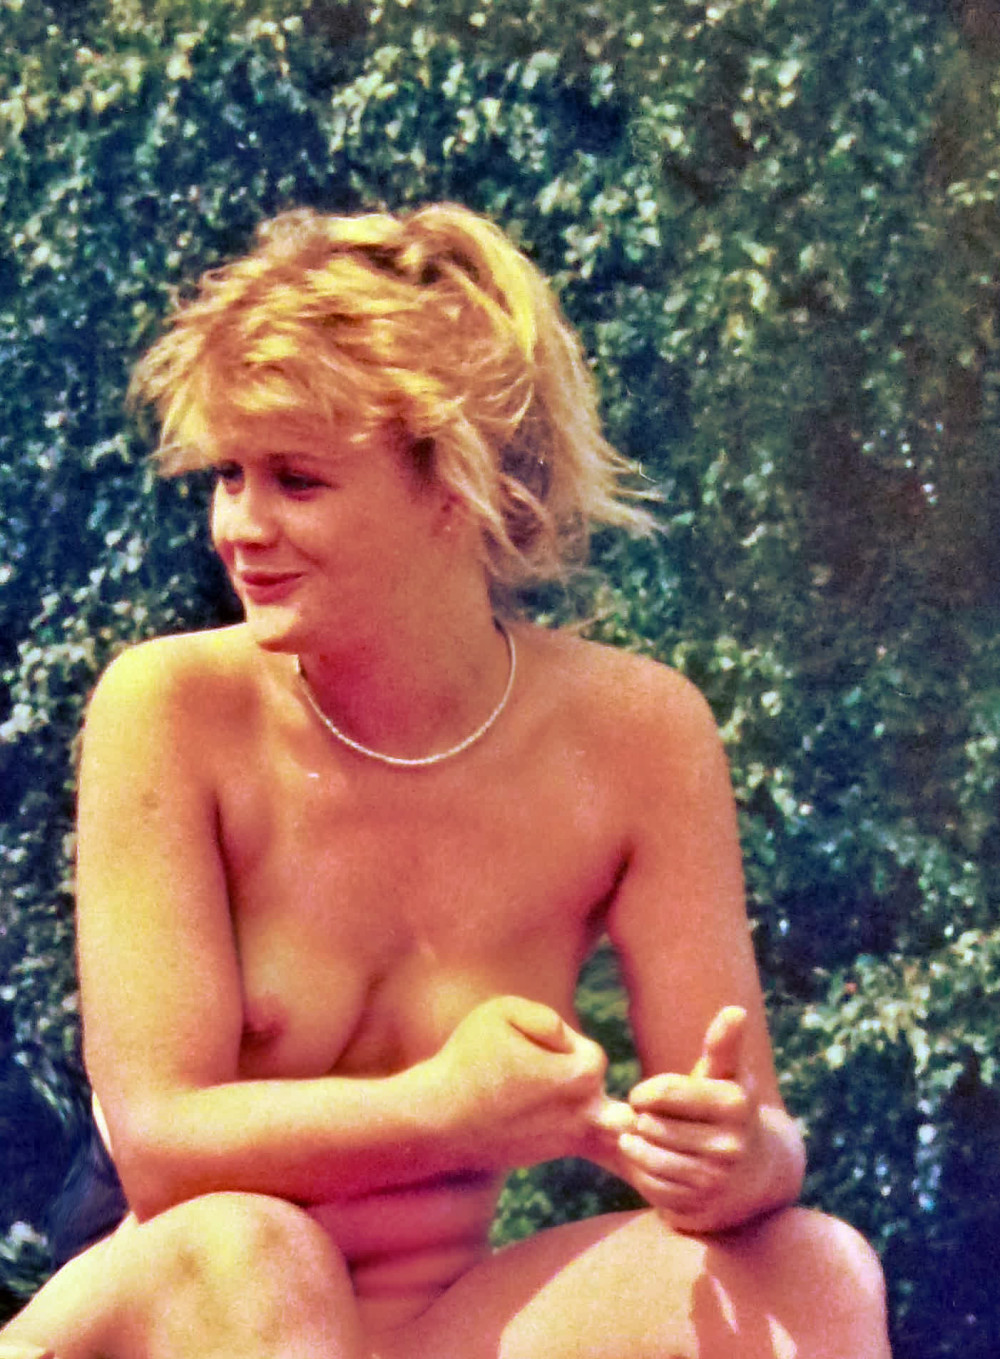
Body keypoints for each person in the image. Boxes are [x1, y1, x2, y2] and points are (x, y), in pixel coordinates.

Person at [0, 203, 890, 1359]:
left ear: (455, 487)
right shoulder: (170, 707)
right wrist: (445, 1111)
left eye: (296, 481)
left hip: (426, 1329)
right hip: (175, 1302)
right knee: (257, 1253)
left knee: (813, 1268)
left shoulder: (638, 735)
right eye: (229, 475)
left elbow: (750, 1129)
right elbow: (160, 1150)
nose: (237, 528)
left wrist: (737, 1155)